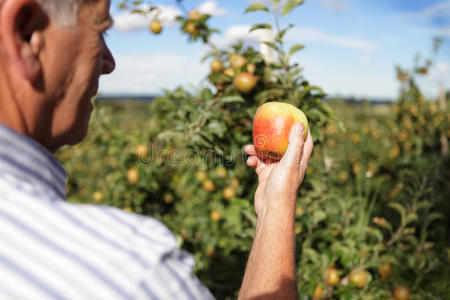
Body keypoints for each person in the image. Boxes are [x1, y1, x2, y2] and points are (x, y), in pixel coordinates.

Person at [0, 0, 314, 299]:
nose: (109, 62)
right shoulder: (132, 269)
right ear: (26, 34)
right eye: (99, 32)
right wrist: (279, 205)